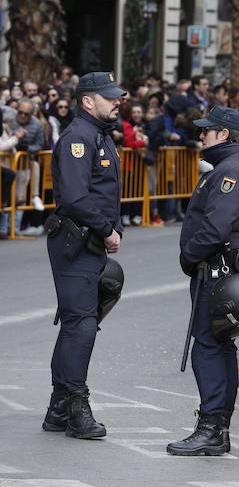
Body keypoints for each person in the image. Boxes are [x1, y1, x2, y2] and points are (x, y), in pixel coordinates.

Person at [167, 105, 239, 456]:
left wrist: (188, 255)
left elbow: (216, 226)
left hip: (215, 267)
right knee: (221, 346)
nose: (200, 136)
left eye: (206, 130)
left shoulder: (229, 171)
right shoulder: (234, 167)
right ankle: (217, 428)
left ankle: (211, 426)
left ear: (223, 134)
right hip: (223, 266)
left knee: (208, 347)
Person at [43, 71, 126, 439]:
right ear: (88, 101)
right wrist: (107, 230)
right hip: (76, 241)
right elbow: (76, 198)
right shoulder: (79, 137)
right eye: (109, 97)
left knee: (78, 322)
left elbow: (105, 192)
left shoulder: (99, 135)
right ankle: (76, 407)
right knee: (82, 325)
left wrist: (114, 226)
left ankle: (59, 408)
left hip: (87, 242)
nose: (117, 101)